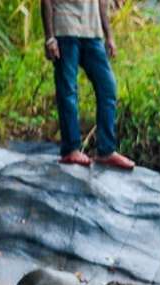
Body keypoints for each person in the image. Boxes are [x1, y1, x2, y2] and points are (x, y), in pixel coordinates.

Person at [41, 0, 134, 170]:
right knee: (68, 90)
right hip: (66, 27)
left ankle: (106, 150)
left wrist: (109, 36)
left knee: (108, 87)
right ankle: (71, 149)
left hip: (92, 31)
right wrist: (49, 38)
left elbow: (102, 2)